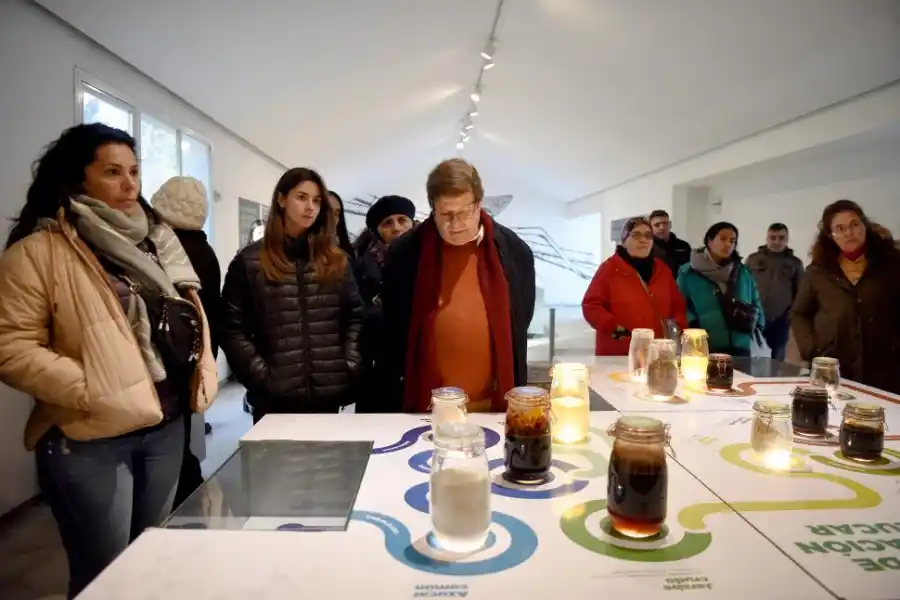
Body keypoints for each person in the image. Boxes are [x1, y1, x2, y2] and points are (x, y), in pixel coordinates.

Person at [0, 123, 218, 598]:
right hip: (91, 437)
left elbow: (186, 312)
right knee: (105, 575)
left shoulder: (158, 241)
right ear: (79, 179)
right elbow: (11, 345)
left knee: (151, 558)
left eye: (135, 171)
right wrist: (90, 388)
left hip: (165, 422)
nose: (130, 185)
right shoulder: (40, 251)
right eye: (113, 172)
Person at [380, 159, 535, 413]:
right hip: (427, 409)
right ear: (432, 209)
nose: (456, 224)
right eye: (446, 214)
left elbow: (520, 320)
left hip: (494, 407)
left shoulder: (515, 252)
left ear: (479, 203)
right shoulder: (405, 254)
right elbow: (397, 327)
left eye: (465, 211)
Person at [221, 168, 364, 421]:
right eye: (302, 197)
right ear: (282, 199)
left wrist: (348, 364)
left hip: (327, 393)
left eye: (317, 200)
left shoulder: (335, 261)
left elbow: (355, 317)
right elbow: (231, 328)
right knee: (278, 462)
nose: (310, 207)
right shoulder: (251, 261)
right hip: (274, 400)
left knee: (328, 461)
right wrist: (261, 376)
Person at [150, 175, 223, 507]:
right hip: (195, 356)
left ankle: (185, 495)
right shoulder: (204, 250)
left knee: (172, 442)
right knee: (185, 433)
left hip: (167, 360)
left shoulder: (163, 249)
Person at [791, 200, 900, 393]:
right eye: (840, 229)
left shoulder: (891, 264)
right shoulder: (819, 271)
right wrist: (812, 350)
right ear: (830, 235)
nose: (849, 233)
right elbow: (799, 314)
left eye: (854, 225)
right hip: (834, 365)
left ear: (865, 226)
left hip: (883, 366)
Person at [583, 216, 687, 355]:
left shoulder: (662, 270)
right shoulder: (609, 269)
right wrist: (613, 327)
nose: (643, 240)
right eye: (636, 235)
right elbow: (591, 305)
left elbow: (677, 304)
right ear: (624, 240)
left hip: (657, 351)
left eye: (648, 236)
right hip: (620, 351)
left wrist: (678, 325)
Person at [352, 195, 416, 413]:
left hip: (418, 367)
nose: (396, 227)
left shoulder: (429, 261)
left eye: (402, 220)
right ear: (377, 230)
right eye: (387, 223)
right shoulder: (362, 268)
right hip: (377, 372)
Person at [677, 222, 765, 356]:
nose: (728, 244)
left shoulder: (742, 272)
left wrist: (758, 324)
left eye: (732, 241)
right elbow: (679, 305)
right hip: (705, 346)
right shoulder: (688, 272)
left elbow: (755, 300)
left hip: (741, 346)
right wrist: (694, 325)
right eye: (723, 239)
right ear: (709, 241)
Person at [745, 223, 804, 361]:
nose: (777, 242)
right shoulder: (753, 259)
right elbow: (743, 284)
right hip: (754, 316)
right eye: (773, 238)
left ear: (787, 239)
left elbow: (801, 293)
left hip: (781, 319)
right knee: (752, 355)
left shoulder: (795, 263)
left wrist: (792, 315)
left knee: (777, 358)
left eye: (781, 238)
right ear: (767, 238)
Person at [649, 209, 692, 276]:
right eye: (657, 225)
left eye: (665, 223)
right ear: (650, 228)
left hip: (680, 284)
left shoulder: (683, 246)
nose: (662, 227)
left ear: (670, 224)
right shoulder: (647, 248)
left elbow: (690, 268)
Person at [327, 190, 355, 259]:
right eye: (328, 212)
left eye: (336, 214)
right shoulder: (300, 253)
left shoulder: (345, 257)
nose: (333, 219)